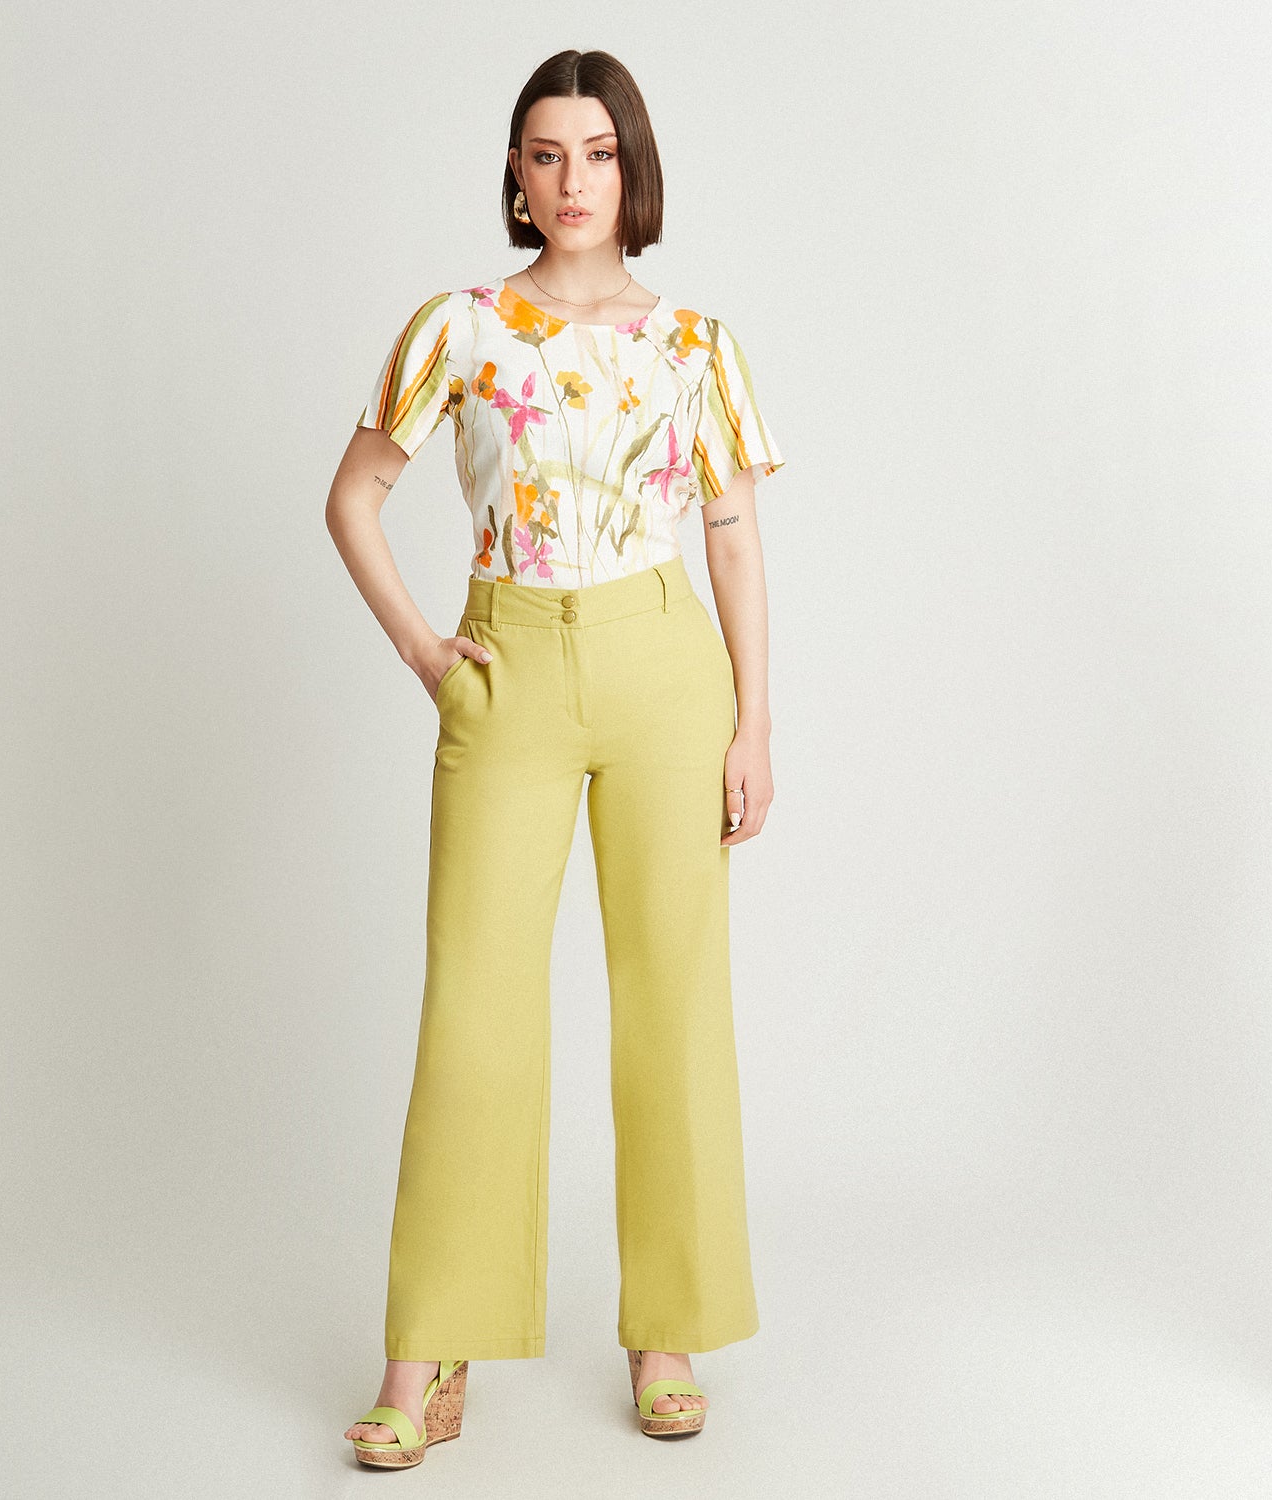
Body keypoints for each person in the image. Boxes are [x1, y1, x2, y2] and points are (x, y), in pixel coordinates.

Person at [329, 48, 785, 1468]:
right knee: (474, 1003)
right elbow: (352, 500)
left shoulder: (696, 344)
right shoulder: (459, 329)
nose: (572, 179)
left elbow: (731, 542)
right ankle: (425, 1353)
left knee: (674, 998)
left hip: (664, 668)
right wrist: (426, 653)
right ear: (517, 178)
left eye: (597, 152)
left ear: (631, 171)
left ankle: (669, 1333)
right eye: (546, 153)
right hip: (508, 661)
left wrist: (754, 724)